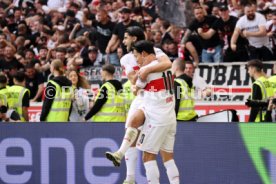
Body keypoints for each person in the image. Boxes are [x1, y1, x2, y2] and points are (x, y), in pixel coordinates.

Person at [106, 26, 171, 184]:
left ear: (134, 39)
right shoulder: (125, 59)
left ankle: (125, 165)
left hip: (155, 98)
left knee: (152, 152)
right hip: (141, 96)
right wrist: (146, 71)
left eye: (126, 37)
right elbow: (133, 79)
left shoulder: (156, 51)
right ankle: (129, 176)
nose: (123, 41)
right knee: (131, 127)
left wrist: (145, 70)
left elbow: (167, 63)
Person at [132, 40, 179, 184]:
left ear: (144, 54)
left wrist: (140, 72)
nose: (136, 60)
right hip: (170, 118)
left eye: (137, 56)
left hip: (156, 120)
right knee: (168, 157)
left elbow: (135, 89)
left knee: (148, 157)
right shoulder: (166, 67)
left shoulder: (146, 71)